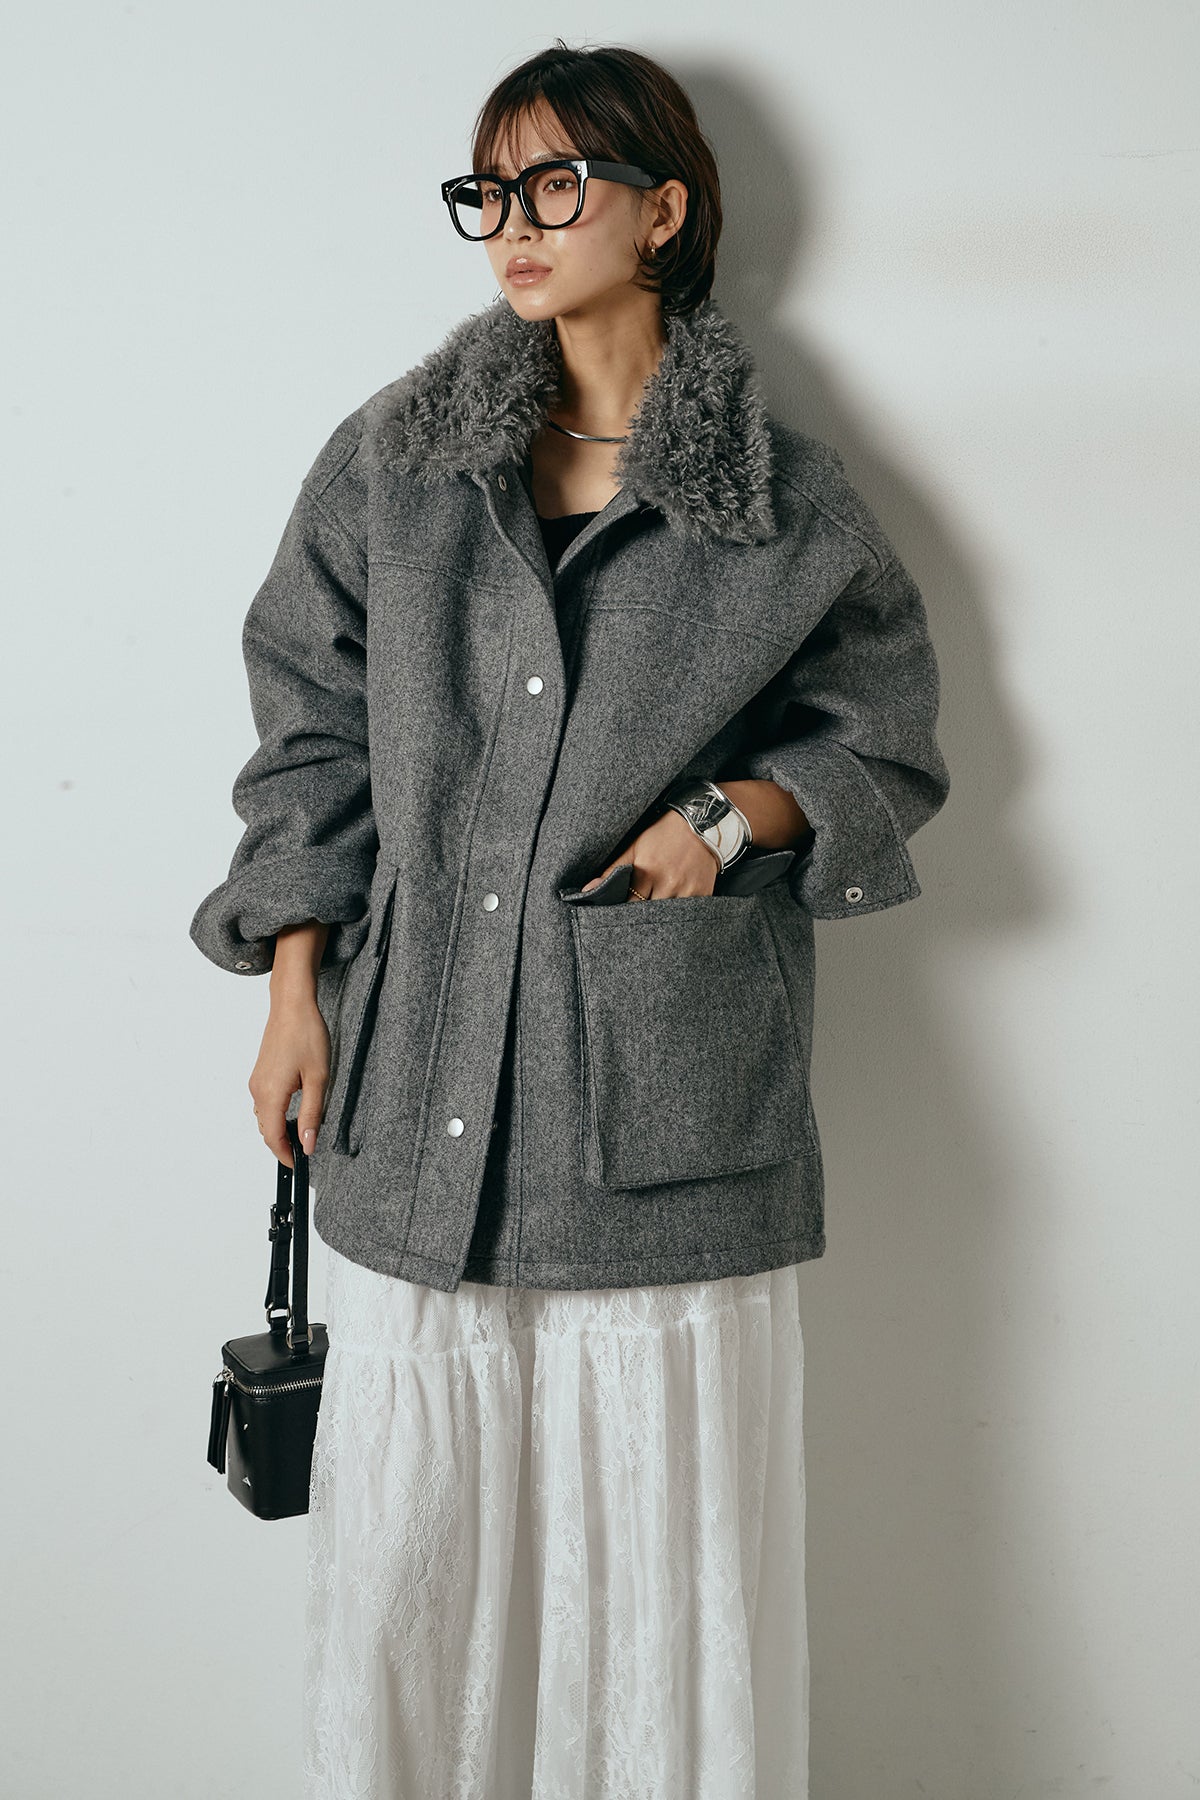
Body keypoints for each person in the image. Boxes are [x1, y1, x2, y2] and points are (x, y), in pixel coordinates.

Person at [190, 39, 950, 1800]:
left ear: (662, 210)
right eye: (491, 190)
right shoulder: (395, 468)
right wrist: (293, 989)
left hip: (664, 1118)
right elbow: (308, 738)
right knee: (411, 1572)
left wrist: (724, 820)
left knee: (656, 1574)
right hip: (417, 1084)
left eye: (556, 184)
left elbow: (888, 744)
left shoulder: (784, 502)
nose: (514, 225)